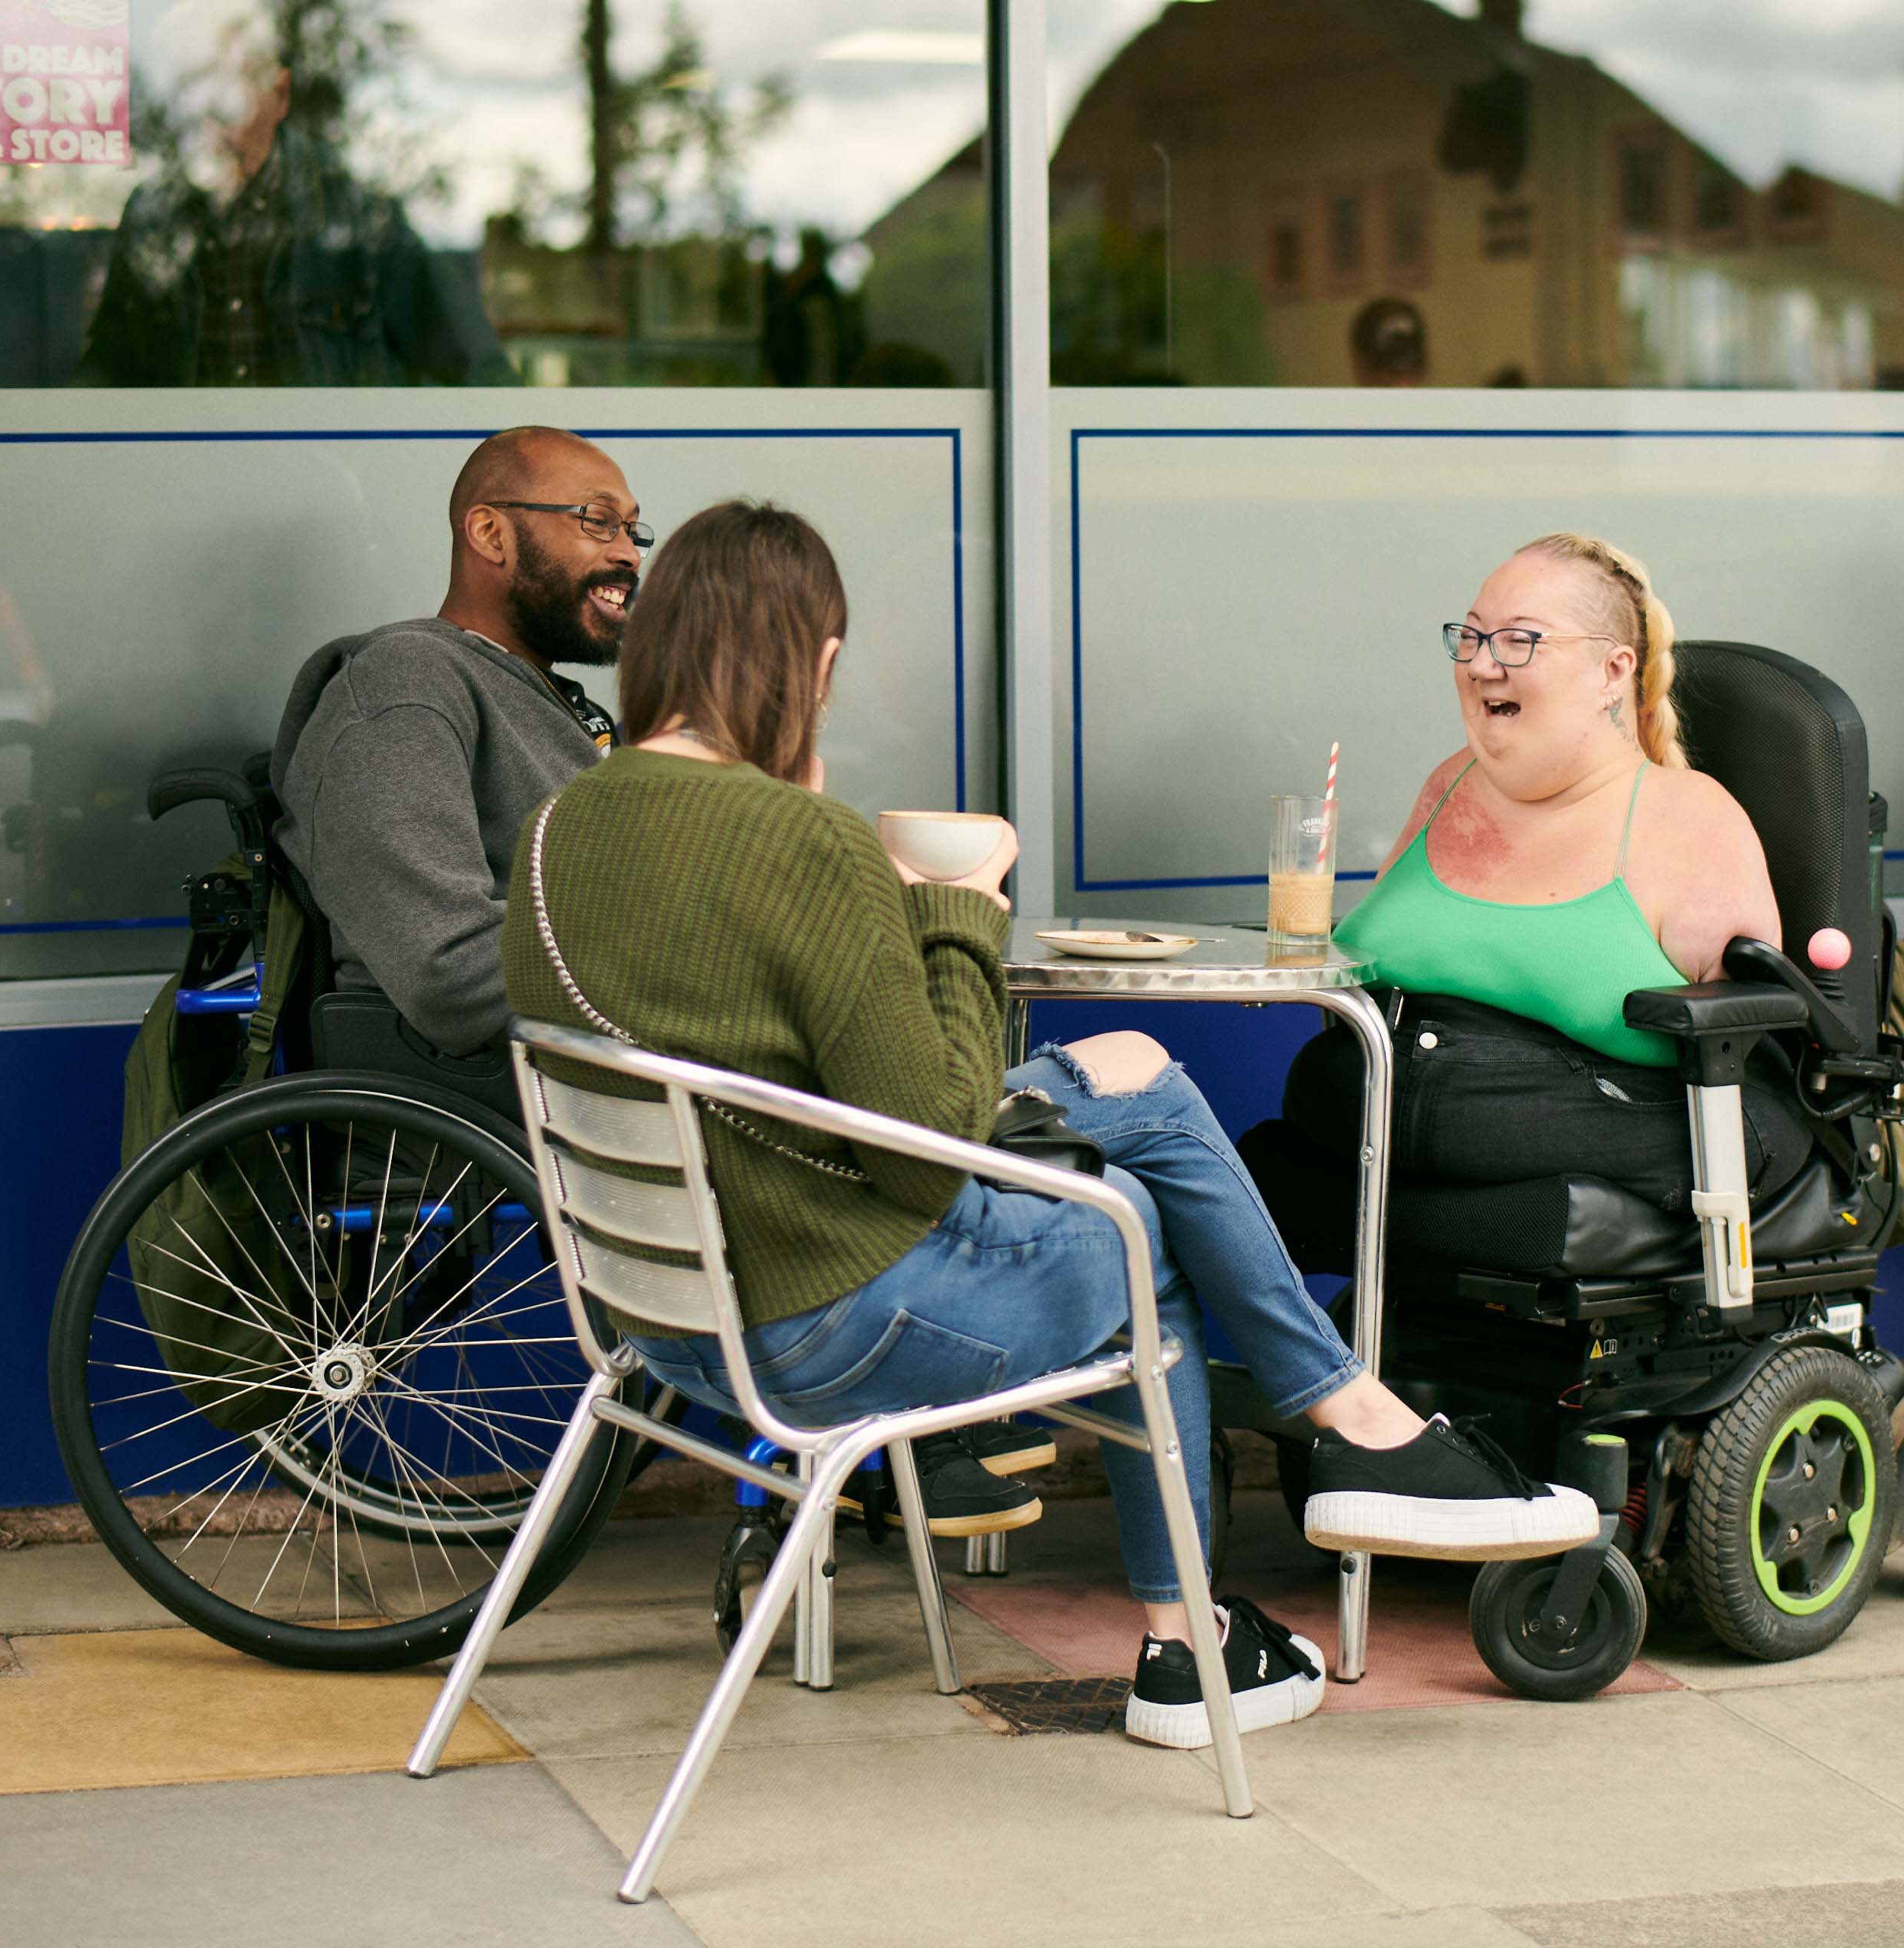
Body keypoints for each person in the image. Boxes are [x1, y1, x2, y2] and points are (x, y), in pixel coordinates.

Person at [505, 499, 1598, 1749]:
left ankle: (1343, 1434)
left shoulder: (558, 825)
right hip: (819, 1327)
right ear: (810, 663)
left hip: (658, 1323)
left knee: (1128, 1085)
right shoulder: (801, 842)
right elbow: (927, 1141)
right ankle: (1220, 1608)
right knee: (1140, 1231)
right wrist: (960, 911)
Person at [1275, 533, 1808, 1225]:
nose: (1481, 665)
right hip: (1366, 1108)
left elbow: (1745, 1035)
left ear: (1612, 673)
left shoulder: (1688, 816)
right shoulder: (1449, 783)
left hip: (1573, 1121)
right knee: (1236, 1160)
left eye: (1520, 641)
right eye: (1470, 637)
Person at [272, 427, 633, 1063]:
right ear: (491, 534)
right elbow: (451, 973)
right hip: (505, 1115)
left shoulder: (560, 705)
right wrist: (686, 959)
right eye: (599, 522)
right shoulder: (407, 687)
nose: (630, 553)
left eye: (634, 530)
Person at [79, 21, 509, 387]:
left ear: (279, 95)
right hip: (185, 472)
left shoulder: (359, 216)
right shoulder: (153, 215)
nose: (207, 120)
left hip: (329, 474)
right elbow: (109, 366)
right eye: (191, 99)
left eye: (228, 97)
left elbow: (473, 366)